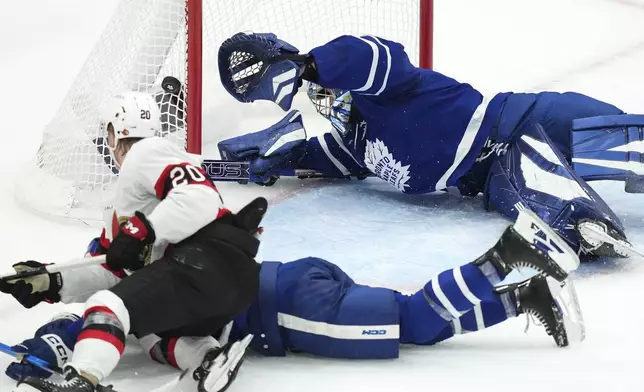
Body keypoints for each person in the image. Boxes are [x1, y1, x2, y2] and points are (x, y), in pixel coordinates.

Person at [5, 209, 585, 388]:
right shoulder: (155, 305)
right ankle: (523, 296)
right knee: (418, 330)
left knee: (409, 318)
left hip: (285, 307)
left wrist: (41, 353)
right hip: (289, 284)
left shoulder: (140, 303)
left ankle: (510, 253)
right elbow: (181, 346)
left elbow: (86, 323)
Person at [215, 32, 644, 261]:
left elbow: (383, 56)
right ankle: (579, 219)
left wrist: (310, 65)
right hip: (496, 174)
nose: (325, 100)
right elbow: (324, 157)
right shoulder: (355, 147)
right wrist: (271, 161)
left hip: (522, 119)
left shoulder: (385, 88)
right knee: (557, 218)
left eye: (325, 89)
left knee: (629, 143)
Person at [0, 91, 265, 392]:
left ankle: (82, 381)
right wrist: (51, 280)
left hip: (206, 264)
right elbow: (112, 269)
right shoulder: (132, 194)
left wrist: (143, 230)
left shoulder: (147, 152)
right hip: (223, 287)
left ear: (114, 132)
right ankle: (208, 359)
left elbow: (199, 198)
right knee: (147, 331)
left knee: (107, 306)